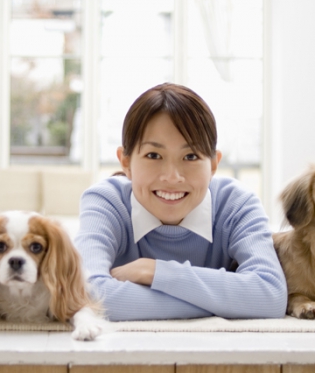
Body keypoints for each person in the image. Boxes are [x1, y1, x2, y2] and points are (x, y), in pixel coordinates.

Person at [74, 83, 287, 321]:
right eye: (153, 155)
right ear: (125, 162)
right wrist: (226, 303)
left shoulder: (236, 204)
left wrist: (156, 272)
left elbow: (271, 295)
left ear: (214, 164)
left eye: (190, 156)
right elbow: (85, 293)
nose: (172, 177)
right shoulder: (107, 202)